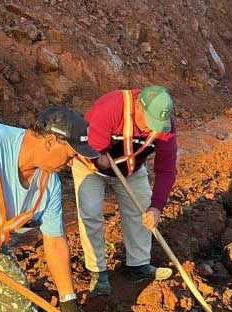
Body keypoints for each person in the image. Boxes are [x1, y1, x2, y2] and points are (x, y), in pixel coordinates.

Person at [0, 107, 99, 312]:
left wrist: (68, 299)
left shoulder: (48, 184)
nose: (71, 163)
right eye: (70, 155)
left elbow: (53, 241)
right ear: (51, 141)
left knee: (16, 292)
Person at [72, 86, 178, 295]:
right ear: (138, 106)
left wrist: (157, 207)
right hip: (90, 168)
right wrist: (98, 159)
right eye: (149, 122)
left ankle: (138, 266)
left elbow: (166, 169)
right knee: (91, 212)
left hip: (131, 170)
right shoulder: (110, 108)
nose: (151, 129)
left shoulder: (166, 127)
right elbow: (88, 145)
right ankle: (98, 272)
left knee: (143, 211)